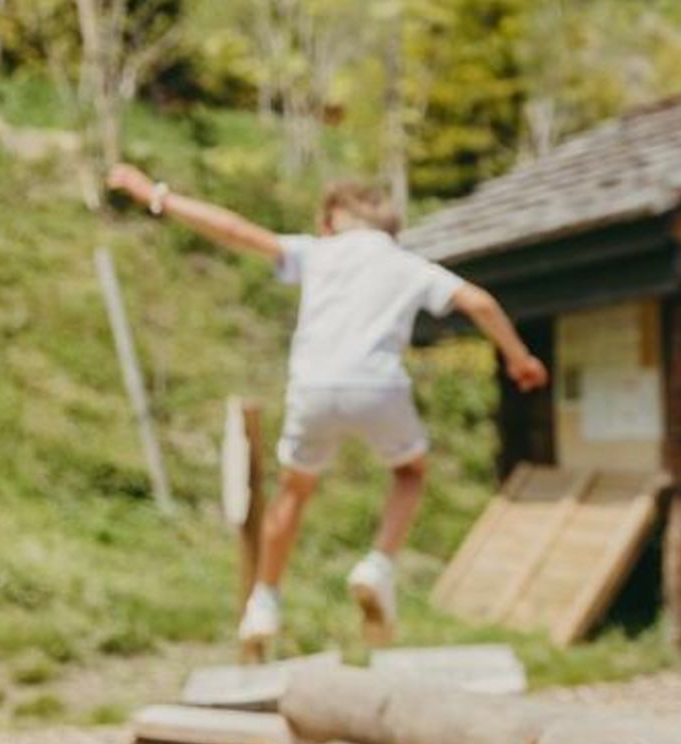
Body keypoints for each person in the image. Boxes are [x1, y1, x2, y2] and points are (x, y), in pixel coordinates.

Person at [106, 164, 549, 649]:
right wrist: (519, 358)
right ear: (389, 228)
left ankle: (264, 602)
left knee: (293, 490)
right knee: (409, 474)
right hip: (378, 387)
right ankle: (378, 564)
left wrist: (157, 195)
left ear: (329, 222)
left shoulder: (317, 253)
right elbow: (480, 303)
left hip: (313, 387)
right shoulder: (405, 263)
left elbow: (233, 230)